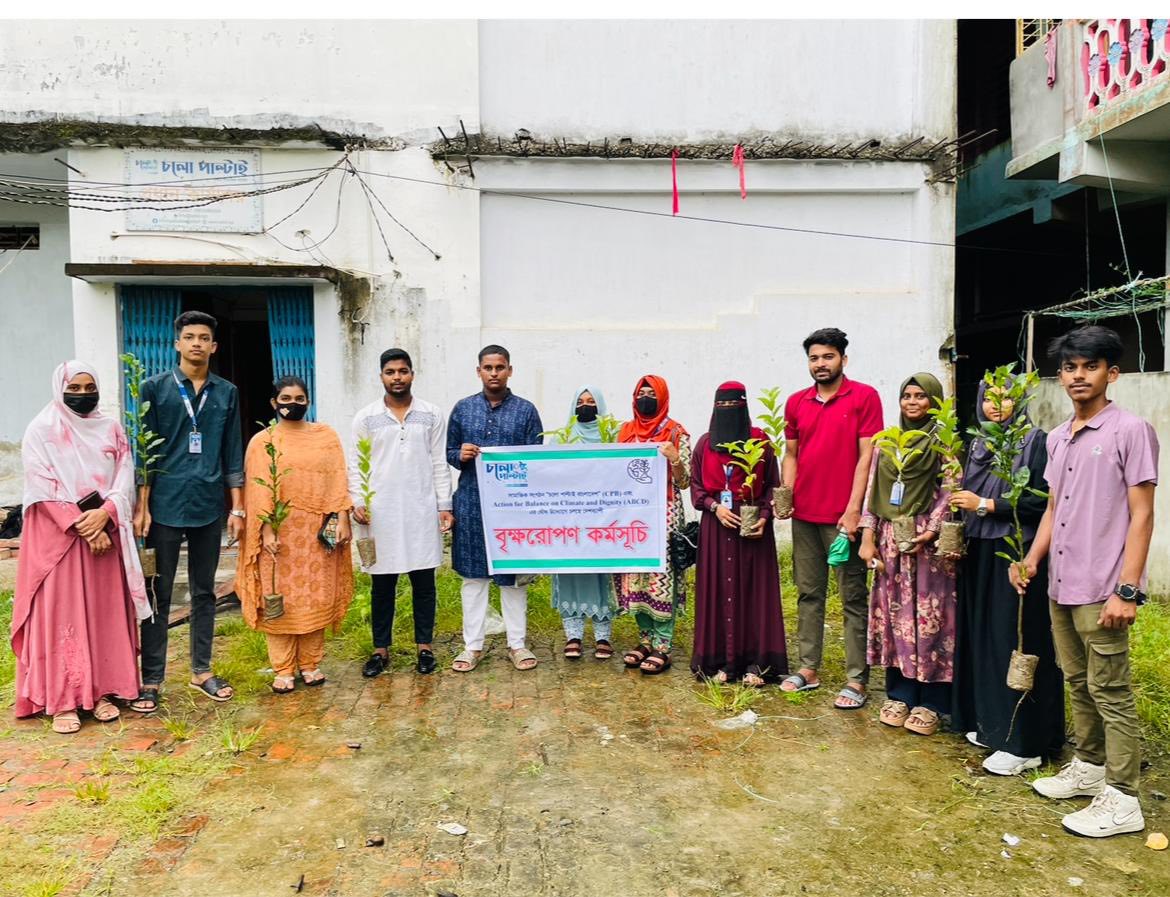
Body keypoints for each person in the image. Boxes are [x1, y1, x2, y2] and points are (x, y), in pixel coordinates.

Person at [1011, 325, 1157, 838]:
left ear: (1110, 374)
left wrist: (1128, 589)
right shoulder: (1057, 437)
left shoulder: (1129, 431)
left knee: (1110, 687)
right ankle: (1090, 766)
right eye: (1070, 367)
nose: (1078, 375)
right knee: (1077, 680)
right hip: (1061, 582)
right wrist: (1031, 560)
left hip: (1103, 586)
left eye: (1089, 366)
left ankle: (1123, 799)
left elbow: (1142, 515)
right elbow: (1053, 507)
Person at [11, 362, 151, 733]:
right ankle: (62, 701)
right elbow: (40, 482)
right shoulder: (42, 429)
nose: (84, 393)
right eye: (76, 386)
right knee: (64, 615)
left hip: (105, 532)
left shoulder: (111, 427)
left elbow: (125, 474)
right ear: (61, 387)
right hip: (59, 540)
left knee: (101, 612)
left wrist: (106, 513)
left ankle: (102, 690)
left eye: (91, 386)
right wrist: (84, 525)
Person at [131, 310, 245, 712]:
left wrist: (238, 508)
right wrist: (141, 505)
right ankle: (152, 679)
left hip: (208, 503)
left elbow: (232, 449)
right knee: (158, 592)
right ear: (177, 343)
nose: (197, 343)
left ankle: (201, 670)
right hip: (163, 505)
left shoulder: (226, 392)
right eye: (189, 336)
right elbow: (143, 451)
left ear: (214, 346)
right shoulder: (153, 388)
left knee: (203, 590)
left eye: (204, 338)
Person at [951, 380, 1064, 775]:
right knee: (983, 638)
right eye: (988, 398)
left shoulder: (1036, 442)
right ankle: (992, 724)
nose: (996, 406)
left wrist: (985, 504)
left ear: (1020, 400)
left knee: (1016, 639)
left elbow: (1043, 500)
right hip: (979, 550)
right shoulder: (977, 445)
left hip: (1017, 551)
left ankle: (1026, 741)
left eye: (1005, 397)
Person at [779, 328, 883, 710]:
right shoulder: (796, 402)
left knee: (853, 597)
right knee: (809, 594)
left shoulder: (864, 397)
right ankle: (808, 669)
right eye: (814, 358)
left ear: (843, 359)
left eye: (827, 357)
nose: (820, 364)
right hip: (804, 515)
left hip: (843, 518)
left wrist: (854, 510)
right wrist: (786, 493)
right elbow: (791, 454)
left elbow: (866, 458)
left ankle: (857, 678)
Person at [237, 377, 355, 692]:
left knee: (317, 595)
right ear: (274, 403)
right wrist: (267, 529)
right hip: (280, 534)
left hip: (319, 531)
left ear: (308, 401)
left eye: (300, 398)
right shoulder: (263, 441)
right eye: (286, 398)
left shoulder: (326, 436)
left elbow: (337, 479)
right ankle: (284, 668)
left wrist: (342, 518)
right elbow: (258, 489)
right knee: (280, 599)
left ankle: (311, 664)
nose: (294, 403)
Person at [859, 372, 958, 737]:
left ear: (934, 401)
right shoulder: (887, 443)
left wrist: (930, 530)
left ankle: (932, 701)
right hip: (890, 542)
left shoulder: (944, 443)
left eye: (921, 396)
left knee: (930, 620)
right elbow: (873, 492)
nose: (913, 402)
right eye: (907, 396)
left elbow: (951, 491)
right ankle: (899, 692)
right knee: (893, 618)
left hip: (929, 549)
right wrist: (867, 537)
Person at [350, 349, 453, 678]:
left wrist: (444, 506)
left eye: (403, 371)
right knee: (383, 584)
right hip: (380, 513)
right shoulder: (365, 417)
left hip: (421, 510)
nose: (397, 377)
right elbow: (355, 464)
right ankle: (381, 649)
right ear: (381, 376)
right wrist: (358, 501)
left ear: (412, 374)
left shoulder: (431, 414)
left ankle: (425, 647)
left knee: (424, 582)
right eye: (391, 372)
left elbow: (439, 462)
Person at [446, 345, 543, 673]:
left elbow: (536, 458)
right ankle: (472, 645)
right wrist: (461, 455)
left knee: (511, 577)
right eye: (488, 367)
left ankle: (517, 643)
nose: (494, 373)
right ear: (479, 371)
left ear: (510, 370)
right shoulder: (463, 409)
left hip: (513, 507)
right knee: (474, 577)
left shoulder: (526, 411)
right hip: (472, 503)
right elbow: (448, 451)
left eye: (500, 367)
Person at [690, 382, 787, 685]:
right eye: (723, 405)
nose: (728, 411)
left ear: (744, 406)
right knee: (717, 592)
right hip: (716, 531)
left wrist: (766, 515)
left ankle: (756, 665)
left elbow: (773, 483)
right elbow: (695, 487)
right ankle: (721, 662)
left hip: (752, 529)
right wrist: (714, 506)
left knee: (754, 594)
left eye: (735, 405)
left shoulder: (760, 442)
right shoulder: (705, 445)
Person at [615, 375, 691, 675]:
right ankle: (645, 639)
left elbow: (686, 481)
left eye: (651, 392)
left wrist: (675, 460)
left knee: (662, 578)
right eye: (640, 392)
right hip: (633, 516)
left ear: (663, 397)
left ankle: (663, 645)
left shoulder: (675, 432)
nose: (645, 397)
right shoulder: (625, 432)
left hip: (665, 514)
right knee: (637, 577)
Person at [550, 386, 617, 660]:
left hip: (602, 519)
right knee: (571, 572)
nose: (585, 406)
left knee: (601, 573)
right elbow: (547, 472)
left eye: (591, 402)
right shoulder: (561, 439)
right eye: (580, 401)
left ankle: (603, 636)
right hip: (570, 519)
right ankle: (573, 635)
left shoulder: (611, 437)